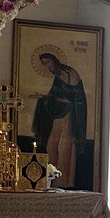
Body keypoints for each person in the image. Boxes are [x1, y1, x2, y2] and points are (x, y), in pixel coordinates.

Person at [30, 52, 87, 188]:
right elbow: (54, 97)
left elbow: (77, 97)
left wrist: (67, 100)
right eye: (45, 64)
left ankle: (63, 182)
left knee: (65, 147)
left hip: (70, 116)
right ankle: (51, 180)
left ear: (54, 60)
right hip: (59, 115)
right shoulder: (57, 78)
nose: (48, 67)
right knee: (51, 145)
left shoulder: (70, 73)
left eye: (48, 63)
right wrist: (43, 97)